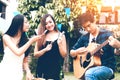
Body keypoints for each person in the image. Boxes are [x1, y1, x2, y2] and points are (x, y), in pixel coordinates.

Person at [70, 12, 116, 80]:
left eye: (89, 25)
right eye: (85, 28)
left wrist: (117, 48)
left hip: (107, 67)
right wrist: (76, 51)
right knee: (89, 73)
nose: (88, 29)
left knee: (89, 74)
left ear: (94, 21)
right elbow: (71, 52)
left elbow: (116, 51)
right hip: (89, 69)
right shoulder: (84, 37)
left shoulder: (107, 34)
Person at [0, 14, 41, 80]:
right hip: (4, 72)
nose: (28, 24)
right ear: (18, 23)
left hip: (17, 75)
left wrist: (28, 71)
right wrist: (31, 41)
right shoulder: (6, 37)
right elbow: (18, 52)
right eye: (26, 22)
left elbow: (25, 61)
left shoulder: (25, 42)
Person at [34, 14, 67, 80]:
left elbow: (64, 55)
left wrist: (60, 44)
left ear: (54, 22)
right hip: (42, 70)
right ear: (44, 26)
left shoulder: (61, 36)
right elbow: (35, 54)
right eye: (46, 24)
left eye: (50, 22)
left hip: (55, 70)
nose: (49, 25)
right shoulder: (41, 36)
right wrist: (45, 50)